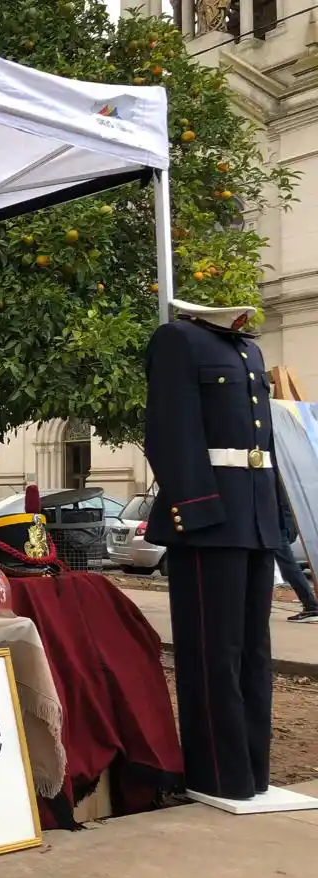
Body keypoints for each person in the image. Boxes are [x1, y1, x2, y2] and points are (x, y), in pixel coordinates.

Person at [143, 299, 278, 802]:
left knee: (253, 653)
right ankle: (216, 774)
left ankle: (251, 772)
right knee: (212, 651)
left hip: (254, 514)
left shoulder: (250, 351)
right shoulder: (179, 340)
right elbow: (170, 430)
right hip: (209, 516)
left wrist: (275, 513)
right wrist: (196, 505)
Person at [277, 489, 318, 623]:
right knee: (287, 566)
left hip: (276, 524)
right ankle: (311, 606)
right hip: (279, 523)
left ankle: (312, 606)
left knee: (288, 566)